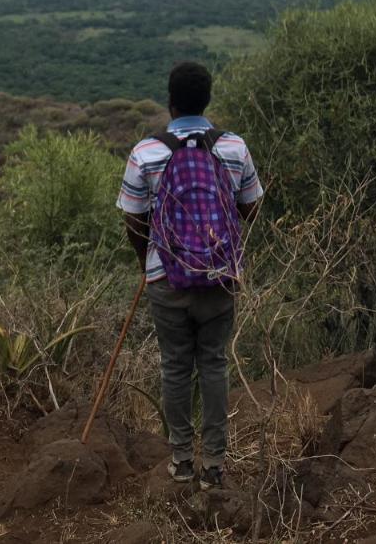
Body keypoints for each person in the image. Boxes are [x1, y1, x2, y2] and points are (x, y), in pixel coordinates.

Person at [117, 61, 263, 488]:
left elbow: (133, 219)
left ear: (170, 101)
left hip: (165, 278)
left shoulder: (146, 152)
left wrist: (148, 261)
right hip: (219, 274)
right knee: (214, 365)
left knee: (176, 366)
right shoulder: (233, 147)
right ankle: (214, 466)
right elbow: (252, 205)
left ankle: (181, 461)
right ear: (208, 100)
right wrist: (219, 239)